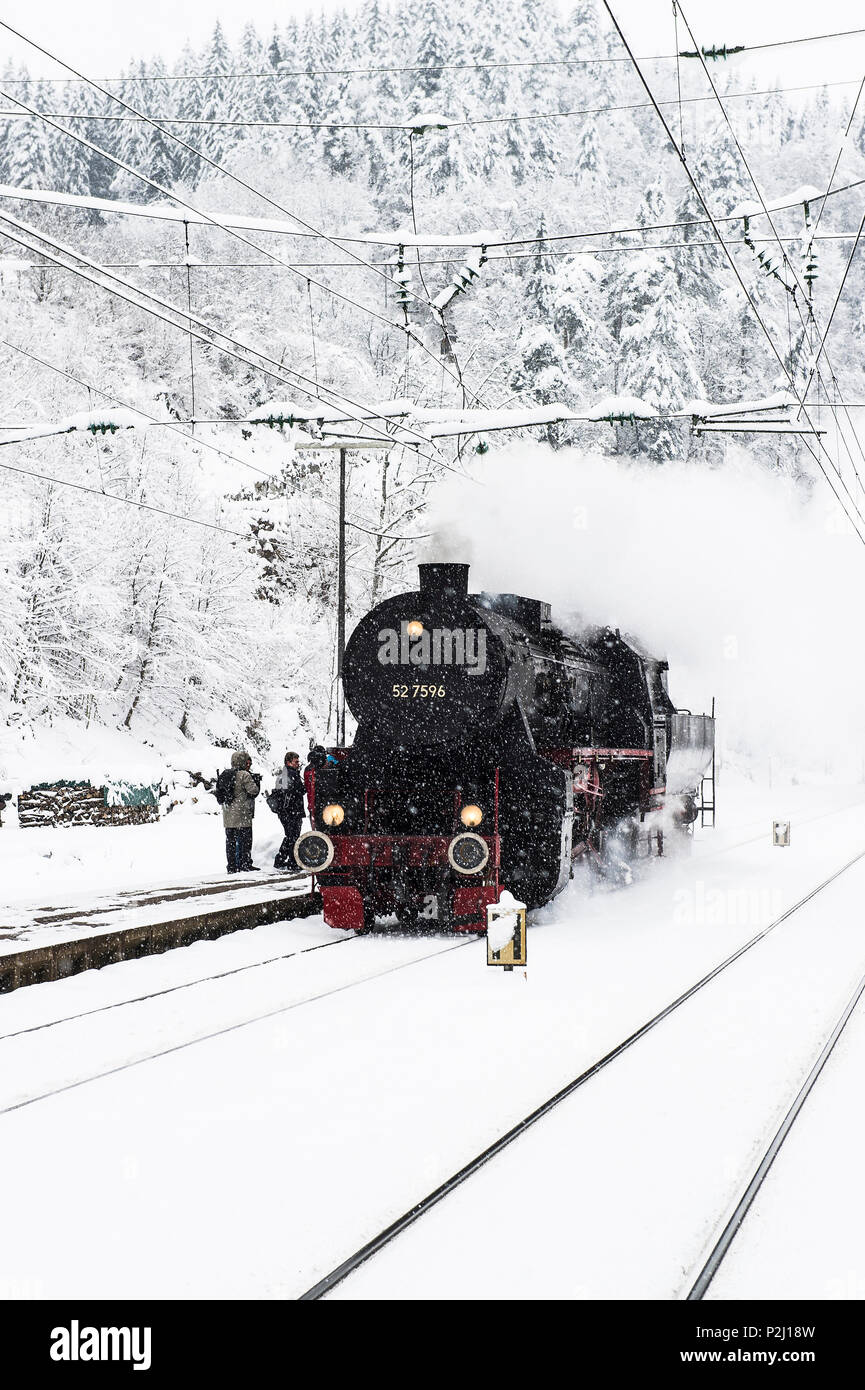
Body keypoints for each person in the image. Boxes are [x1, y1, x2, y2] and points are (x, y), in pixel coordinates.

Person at [222, 749, 260, 874]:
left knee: (230, 841)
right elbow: (253, 791)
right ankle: (245, 863)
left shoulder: (225, 774)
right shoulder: (244, 774)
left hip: (228, 814)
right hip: (242, 814)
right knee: (245, 840)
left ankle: (232, 866)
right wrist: (257, 782)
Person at [271, 751, 305, 870]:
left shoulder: (283, 774)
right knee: (293, 836)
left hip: (286, 811)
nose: (298, 764)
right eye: (296, 762)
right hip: (292, 810)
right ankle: (292, 861)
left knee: (290, 835)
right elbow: (298, 791)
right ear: (288, 762)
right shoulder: (291, 775)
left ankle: (281, 859)